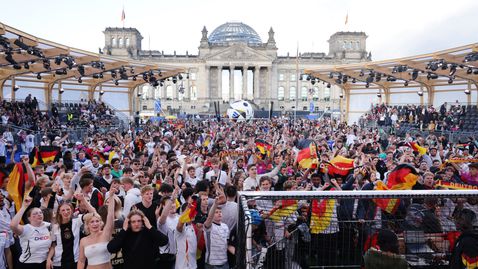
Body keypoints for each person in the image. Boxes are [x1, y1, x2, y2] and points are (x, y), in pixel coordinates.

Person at [47, 194, 96, 269]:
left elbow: (94, 213)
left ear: (72, 210)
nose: (66, 212)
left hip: (75, 261)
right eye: (63, 210)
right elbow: (53, 245)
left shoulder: (77, 221)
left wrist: (83, 200)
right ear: (59, 212)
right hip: (58, 262)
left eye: (68, 209)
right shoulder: (55, 227)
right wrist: (49, 258)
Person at [77, 187, 117, 269]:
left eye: (97, 221)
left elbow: (110, 216)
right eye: (92, 222)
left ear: (101, 223)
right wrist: (83, 200)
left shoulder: (105, 234)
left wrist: (111, 196)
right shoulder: (83, 241)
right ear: (87, 225)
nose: (95, 224)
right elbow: (81, 261)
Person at [10, 197, 52, 269]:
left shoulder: (49, 226)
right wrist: (24, 207)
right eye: (35, 214)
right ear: (29, 218)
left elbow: (54, 245)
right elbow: (13, 225)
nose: (39, 215)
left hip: (44, 263)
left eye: (40, 213)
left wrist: (49, 258)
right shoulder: (26, 228)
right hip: (27, 264)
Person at [203, 186, 229, 269]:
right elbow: (209, 218)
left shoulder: (225, 226)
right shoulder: (208, 226)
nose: (219, 213)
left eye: (220, 212)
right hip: (212, 264)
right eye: (216, 212)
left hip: (225, 262)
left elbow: (226, 244)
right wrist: (215, 204)